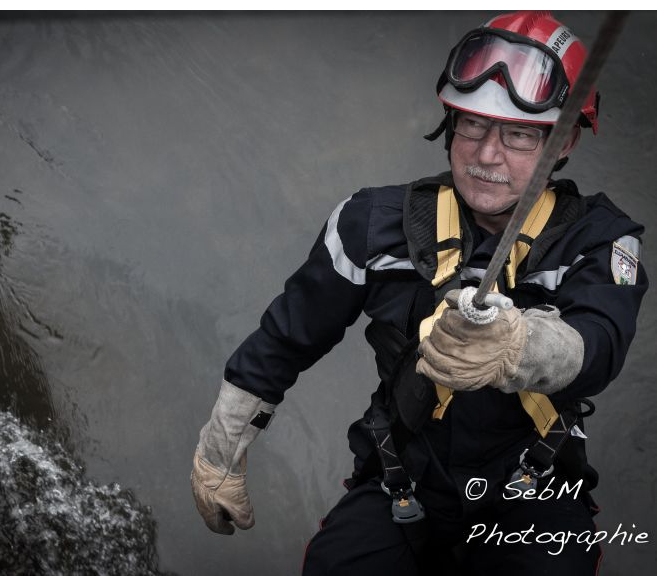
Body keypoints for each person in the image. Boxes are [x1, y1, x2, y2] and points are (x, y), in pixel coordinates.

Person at [190, 11, 648, 575]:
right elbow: (287, 338)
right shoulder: (372, 226)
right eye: (472, 125)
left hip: (534, 489)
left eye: (520, 134)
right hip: (402, 477)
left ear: (565, 140)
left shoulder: (600, 242)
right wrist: (220, 449)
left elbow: (598, 344)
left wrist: (520, 346)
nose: (486, 155)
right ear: (449, 124)